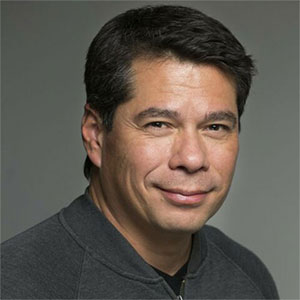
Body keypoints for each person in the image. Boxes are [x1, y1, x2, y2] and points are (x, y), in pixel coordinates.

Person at [1, 5, 279, 299]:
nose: (192, 159)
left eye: (215, 127)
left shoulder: (249, 278)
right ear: (95, 135)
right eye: (158, 124)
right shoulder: (14, 284)